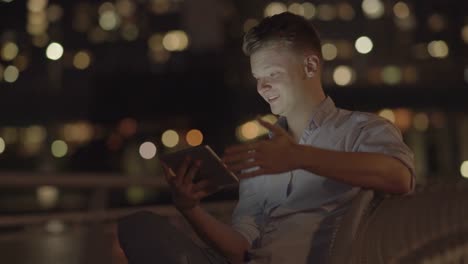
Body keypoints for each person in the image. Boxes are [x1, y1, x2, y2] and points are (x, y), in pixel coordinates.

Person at [117, 12, 415, 264]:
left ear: (310, 66)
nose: (262, 87)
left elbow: (398, 176)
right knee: (138, 226)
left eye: (272, 74)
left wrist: (299, 156)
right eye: (258, 78)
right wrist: (190, 208)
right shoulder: (262, 156)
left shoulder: (360, 129)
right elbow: (240, 246)